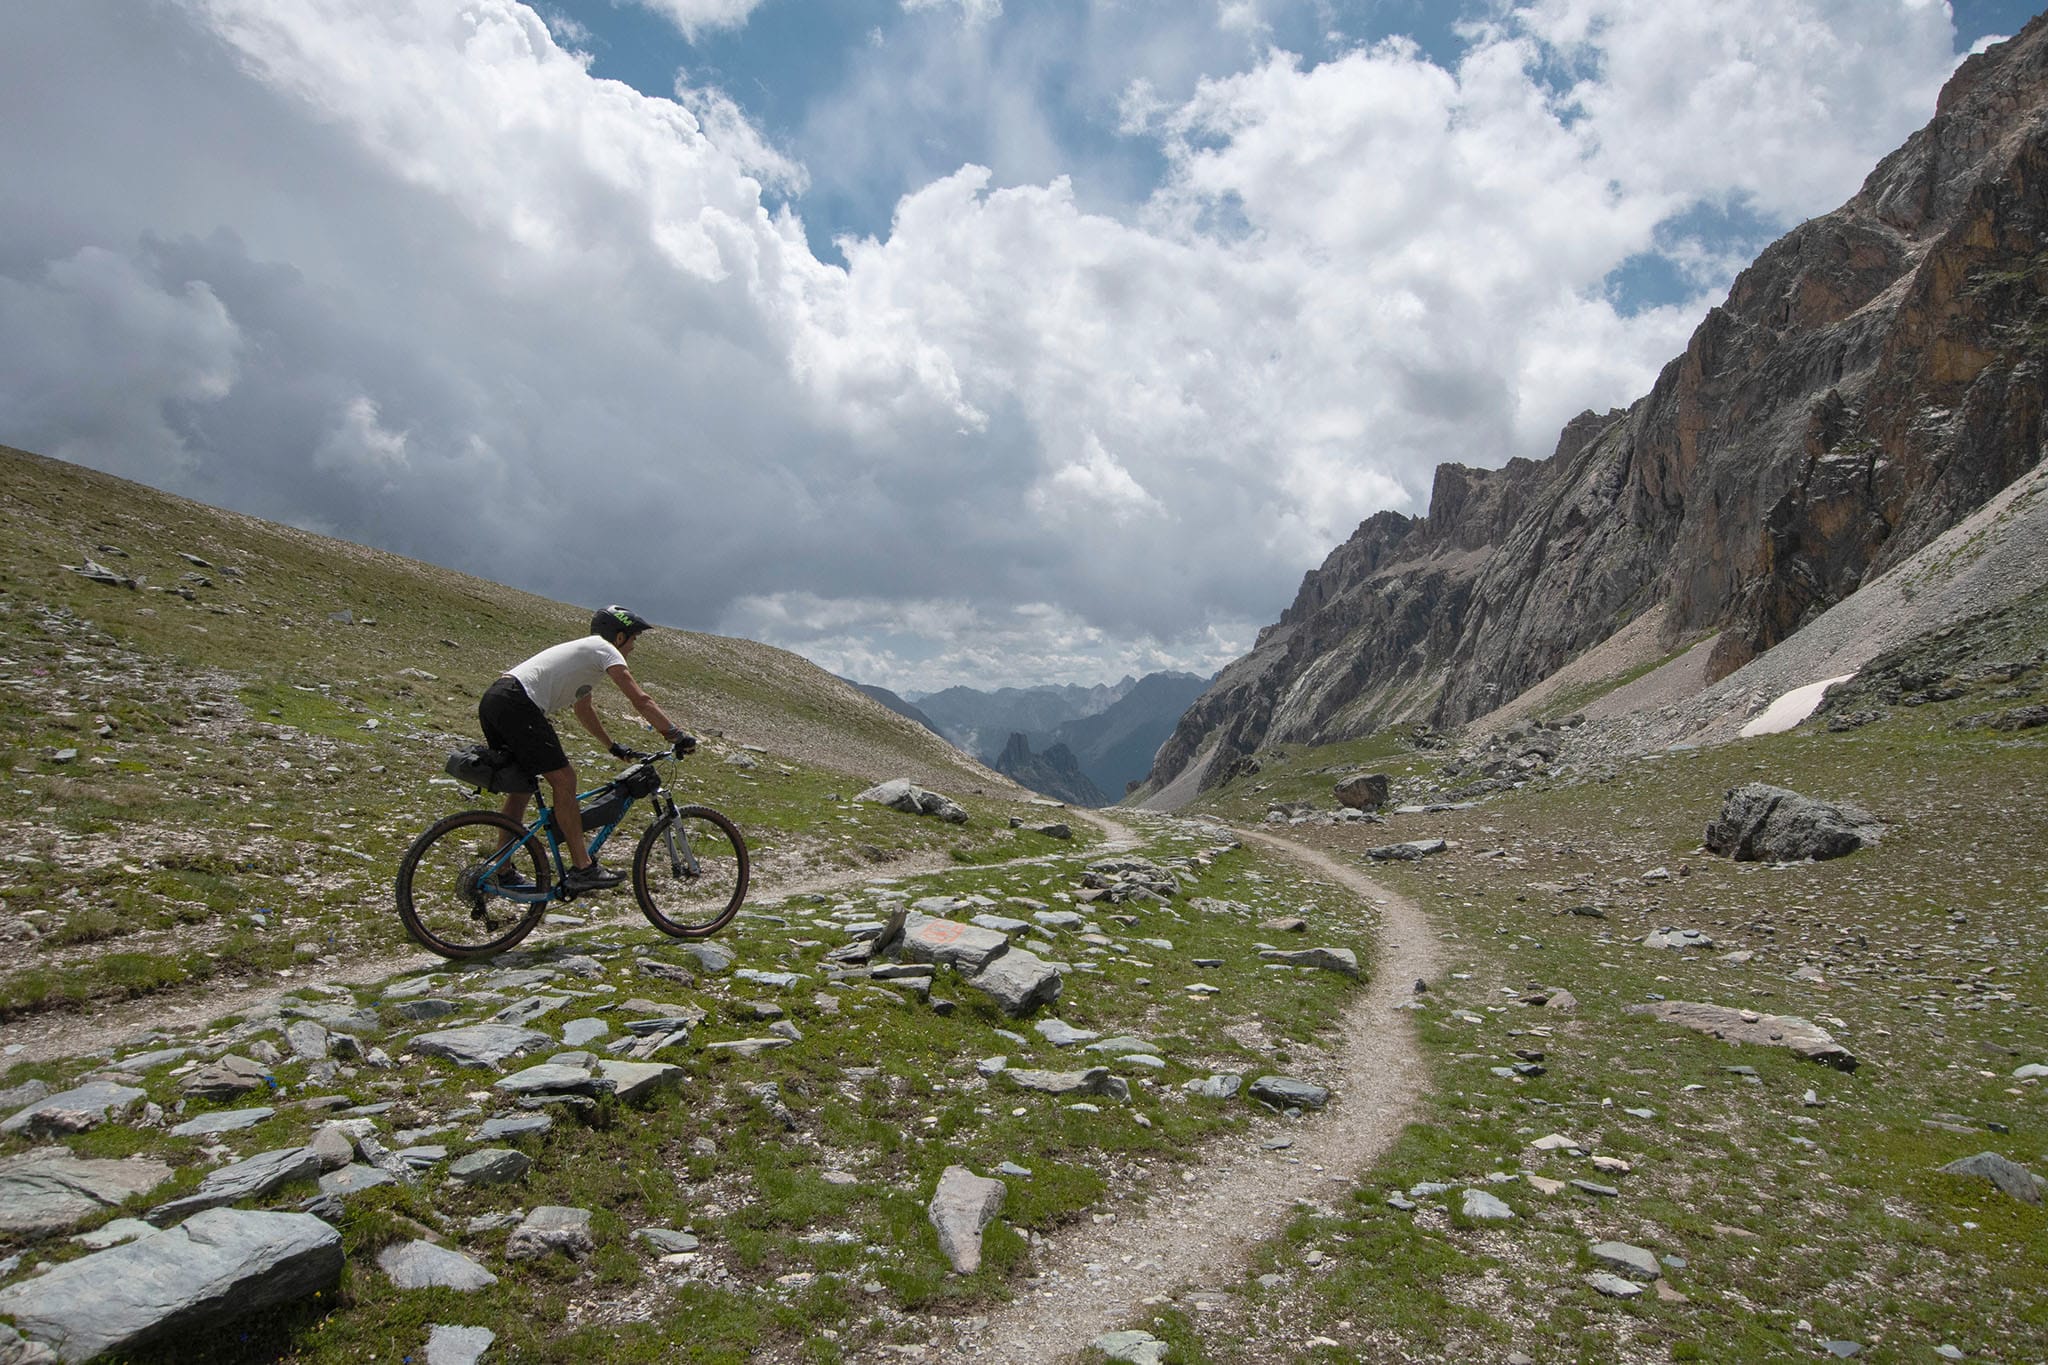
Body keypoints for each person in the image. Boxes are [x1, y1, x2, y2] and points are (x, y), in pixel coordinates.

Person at [479, 606, 696, 892]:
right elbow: (640, 700)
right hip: (519, 703)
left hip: (495, 700)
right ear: (619, 636)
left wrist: (613, 747)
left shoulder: (587, 656)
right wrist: (675, 735)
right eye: (633, 640)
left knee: (521, 790)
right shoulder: (605, 650)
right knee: (565, 779)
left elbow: (584, 709)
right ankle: (583, 868)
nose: (633, 647)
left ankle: (502, 871)